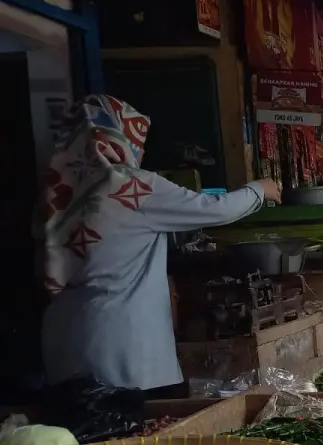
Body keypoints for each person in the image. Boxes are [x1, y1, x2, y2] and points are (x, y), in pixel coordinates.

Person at [37, 95, 281, 396]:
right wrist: (259, 190)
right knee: (142, 425)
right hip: (126, 351)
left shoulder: (57, 195)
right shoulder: (131, 187)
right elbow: (215, 209)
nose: (139, 151)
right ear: (119, 137)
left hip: (63, 348)